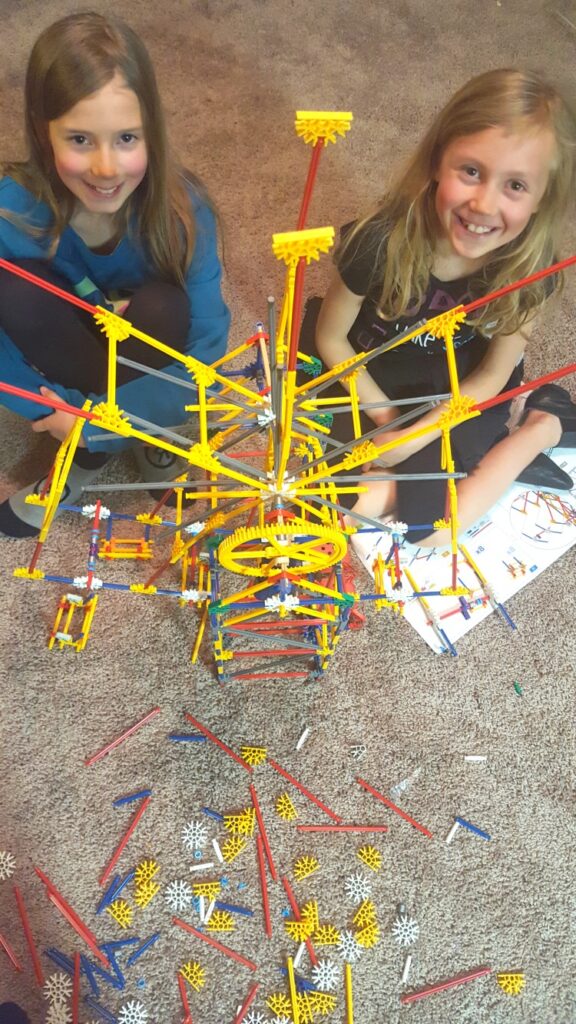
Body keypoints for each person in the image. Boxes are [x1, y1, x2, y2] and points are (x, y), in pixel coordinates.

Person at [307, 68, 576, 547]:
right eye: (471, 171)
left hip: (457, 390)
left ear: (542, 199)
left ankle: (543, 427)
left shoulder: (532, 273)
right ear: (437, 162)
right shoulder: (375, 241)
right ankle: (409, 474)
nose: (484, 205)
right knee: (320, 487)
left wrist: (418, 437)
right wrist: (390, 423)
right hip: (366, 374)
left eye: (516, 186)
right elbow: (330, 337)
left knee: (432, 534)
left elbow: (491, 378)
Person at [0, 12, 230, 537]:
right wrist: (63, 415)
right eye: (80, 140)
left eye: (127, 138)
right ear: (43, 132)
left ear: (153, 129)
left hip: (150, 352)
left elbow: (207, 347)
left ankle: (141, 436)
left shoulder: (184, 214)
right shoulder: (11, 213)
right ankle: (101, 444)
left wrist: (96, 426)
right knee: (12, 293)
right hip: (68, 366)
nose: (106, 169)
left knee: (167, 306)